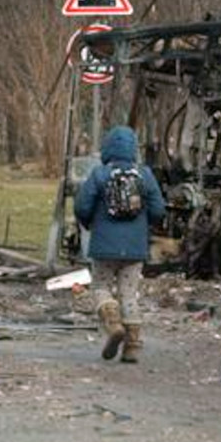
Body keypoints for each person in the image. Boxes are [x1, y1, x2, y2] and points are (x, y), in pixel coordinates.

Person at [73, 126, 166, 363]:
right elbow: (158, 210)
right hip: (135, 249)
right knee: (129, 294)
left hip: (104, 246)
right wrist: (145, 226)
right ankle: (132, 346)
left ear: (107, 148)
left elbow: (82, 206)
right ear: (133, 149)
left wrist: (89, 224)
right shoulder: (144, 174)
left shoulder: (99, 174)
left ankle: (112, 321)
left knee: (101, 286)